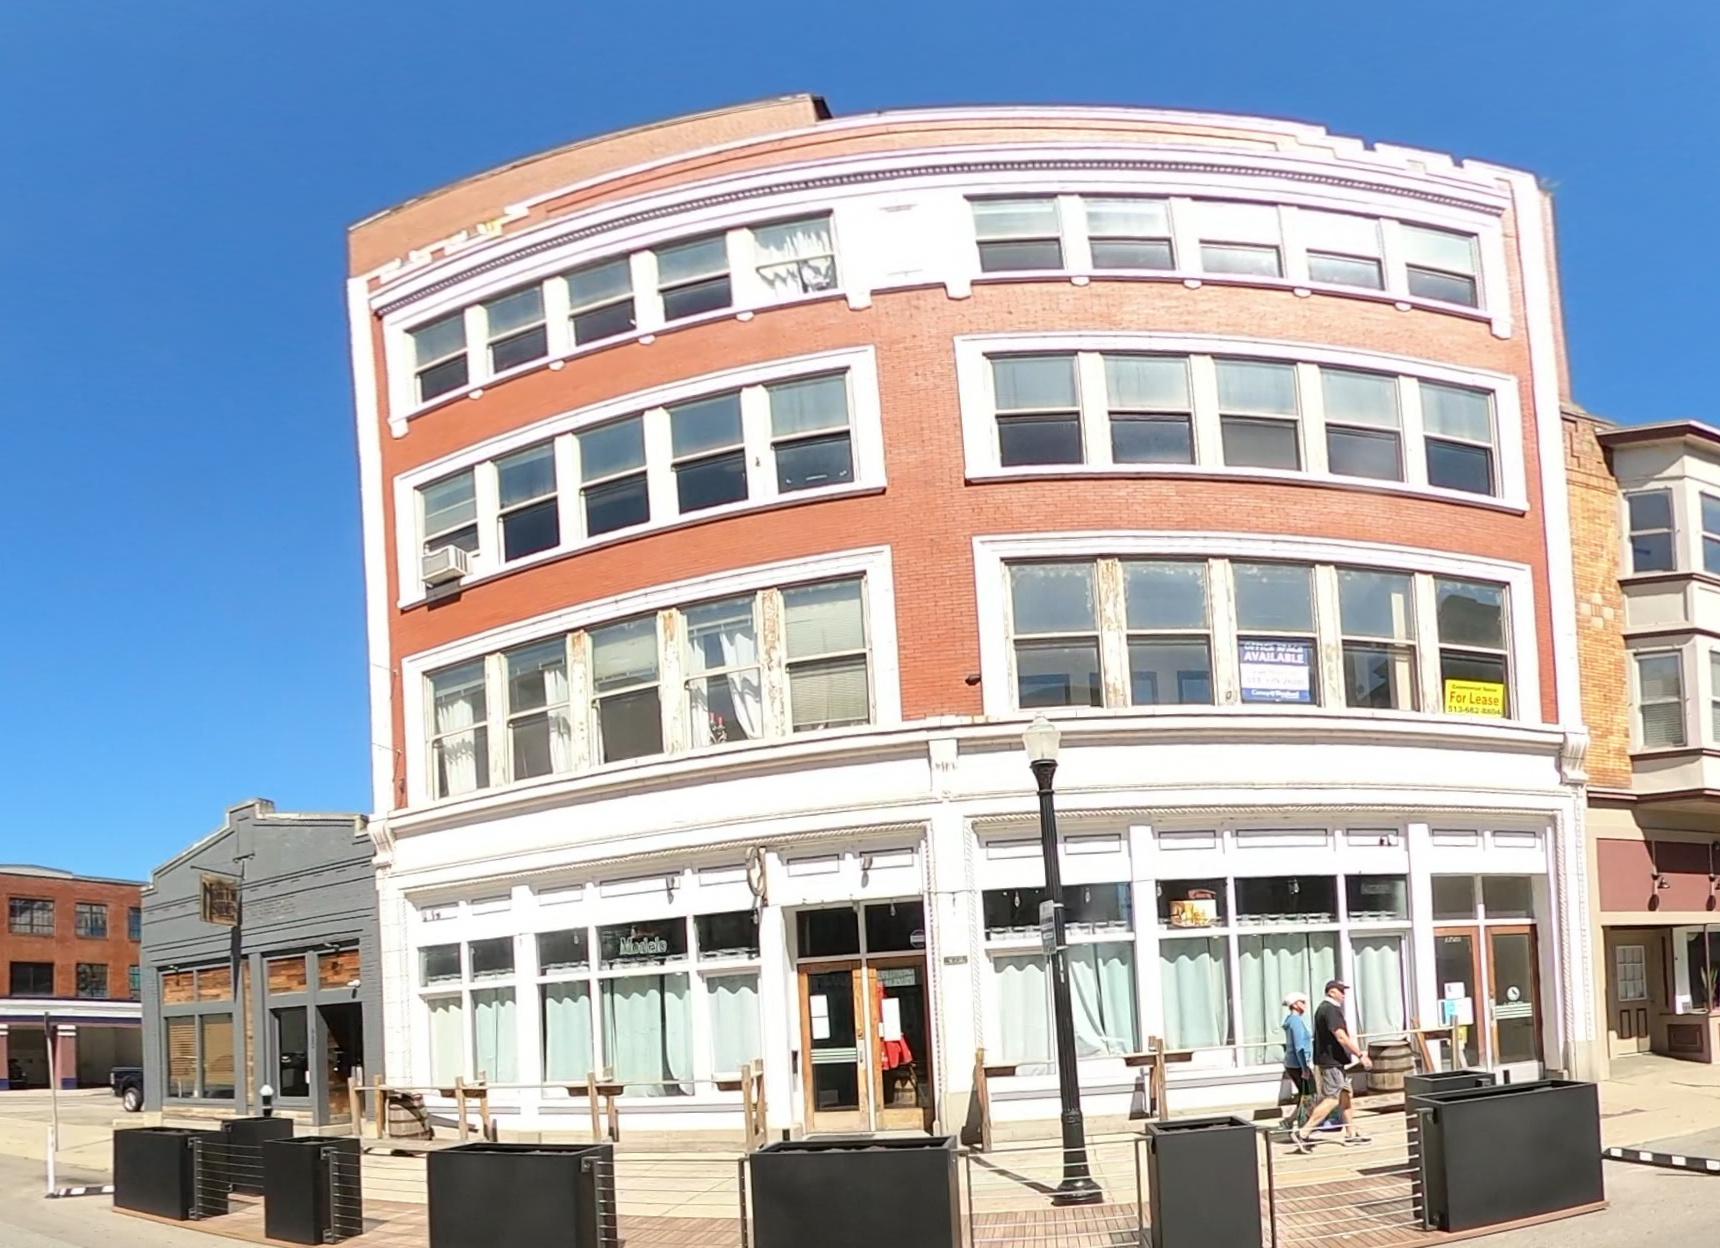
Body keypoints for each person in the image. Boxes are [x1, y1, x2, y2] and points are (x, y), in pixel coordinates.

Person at [1291, 979, 1372, 1152]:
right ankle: (1303, 1133)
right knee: (1332, 1098)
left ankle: (1351, 1133)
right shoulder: (1330, 1010)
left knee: (1345, 1095)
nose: (1343, 995)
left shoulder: (1323, 1009)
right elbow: (1340, 1036)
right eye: (1341, 991)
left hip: (1333, 1061)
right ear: (1331, 992)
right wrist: (1360, 1054)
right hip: (1331, 1062)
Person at [1277, 992, 1313, 1133]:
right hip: (1298, 1064)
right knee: (1309, 1095)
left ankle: (1293, 1121)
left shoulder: (1291, 1020)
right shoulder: (1296, 1021)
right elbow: (1299, 1046)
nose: (1305, 1005)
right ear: (1295, 1004)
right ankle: (1301, 1125)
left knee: (1306, 1094)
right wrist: (1304, 1068)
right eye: (1303, 1002)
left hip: (1292, 1063)